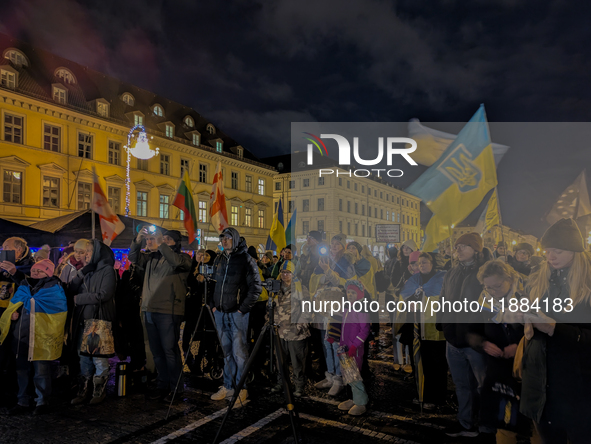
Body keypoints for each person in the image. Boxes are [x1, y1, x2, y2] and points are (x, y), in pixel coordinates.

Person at [520, 218, 591, 443]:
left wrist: (555, 329)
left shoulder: (587, 286)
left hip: (577, 386)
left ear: (574, 251)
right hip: (540, 381)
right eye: (547, 251)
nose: (550, 257)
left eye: (557, 251)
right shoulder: (538, 280)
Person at [438, 232, 494, 439]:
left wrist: (484, 335)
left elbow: (492, 306)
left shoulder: (486, 272)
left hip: (476, 340)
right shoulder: (451, 272)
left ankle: (488, 427)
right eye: (457, 246)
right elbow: (443, 299)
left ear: (476, 250)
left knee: (484, 385)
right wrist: (443, 326)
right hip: (453, 339)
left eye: (464, 246)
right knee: (462, 385)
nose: (458, 249)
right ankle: (466, 423)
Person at [128, 228, 191, 402]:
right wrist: (138, 239)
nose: (153, 241)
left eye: (164, 239)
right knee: (156, 352)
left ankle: (176, 388)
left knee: (169, 351)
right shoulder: (150, 258)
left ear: (175, 242)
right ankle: (162, 384)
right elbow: (132, 257)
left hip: (169, 311)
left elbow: (175, 261)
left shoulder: (183, 258)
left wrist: (161, 243)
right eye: (151, 239)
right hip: (149, 309)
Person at [470, 260, 527, 443]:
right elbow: (471, 330)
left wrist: (520, 346)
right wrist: (483, 343)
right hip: (496, 366)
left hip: (524, 367)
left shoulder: (527, 296)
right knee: (497, 413)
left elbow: (542, 330)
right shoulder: (484, 300)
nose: (493, 291)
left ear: (509, 279)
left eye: (498, 286)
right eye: (488, 287)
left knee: (522, 414)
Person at [0, 259, 67, 415]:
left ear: (48, 273)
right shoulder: (24, 286)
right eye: (34, 270)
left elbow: (58, 311)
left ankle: (42, 401)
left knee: (41, 371)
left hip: (40, 338)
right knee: (21, 371)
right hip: (21, 337)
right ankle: (22, 401)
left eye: (40, 271)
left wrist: (30, 305)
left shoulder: (54, 289)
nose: (35, 273)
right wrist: (12, 314)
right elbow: (15, 304)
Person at [209, 227, 262, 403]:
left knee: (239, 352)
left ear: (236, 239)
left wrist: (242, 308)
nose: (224, 241)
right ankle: (228, 385)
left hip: (237, 313)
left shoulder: (246, 259)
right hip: (221, 312)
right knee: (226, 351)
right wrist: (213, 305)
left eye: (228, 238)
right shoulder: (220, 259)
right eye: (222, 238)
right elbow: (213, 283)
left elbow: (256, 287)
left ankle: (242, 388)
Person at [69, 239, 117, 405]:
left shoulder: (107, 270)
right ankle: (83, 390)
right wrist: (82, 272)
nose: (86, 255)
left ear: (97, 253)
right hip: (83, 320)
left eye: (89, 251)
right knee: (83, 358)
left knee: (98, 358)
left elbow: (104, 295)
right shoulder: (88, 271)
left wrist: (79, 299)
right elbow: (71, 288)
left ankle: (98, 391)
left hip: (97, 321)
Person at [399, 252, 447, 409]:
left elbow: (442, 302)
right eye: (419, 263)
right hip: (416, 329)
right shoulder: (413, 281)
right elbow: (404, 298)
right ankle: (422, 394)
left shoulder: (441, 280)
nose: (422, 266)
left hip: (434, 330)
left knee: (436, 364)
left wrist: (421, 303)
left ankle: (437, 397)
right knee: (420, 362)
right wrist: (409, 304)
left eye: (425, 262)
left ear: (432, 264)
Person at [312, 233, 355, 396]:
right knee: (326, 343)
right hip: (324, 307)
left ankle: (339, 378)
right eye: (332, 244)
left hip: (338, 308)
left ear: (343, 246)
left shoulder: (346, 262)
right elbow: (315, 278)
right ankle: (329, 375)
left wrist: (328, 272)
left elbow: (345, 283)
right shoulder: (325, 259)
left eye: (337, 244)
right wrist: (325, 274)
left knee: (336, 343)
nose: (334, 246)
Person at [0, 236, 34, 407]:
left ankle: (17, 395)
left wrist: (15, 272)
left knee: (16, 359)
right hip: (2, 317)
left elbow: (32, 289)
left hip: (20, 321)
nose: (3, 250)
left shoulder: (31, 266)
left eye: (7, 247)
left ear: (18, 250)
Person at [270, 260, 310, 397]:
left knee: (297, 361)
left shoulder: (300, 288)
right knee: (280, 360)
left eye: (288, 272)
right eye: (282, 272)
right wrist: (270, 321)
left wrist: (300, 325)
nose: (284, 275)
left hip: (296, 333)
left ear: (293, 274)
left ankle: (299, 386)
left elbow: (307, 309)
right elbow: (270, 308)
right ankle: (282, 383)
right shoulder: (276, 288)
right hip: (279, 331)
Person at [337, 280, 370, 416]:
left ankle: (361, 402)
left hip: (353, 348)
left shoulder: (361, 307)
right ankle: (353, 398)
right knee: (348, 374)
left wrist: (354, 345)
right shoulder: (348, 306)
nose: (350, 295)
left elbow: (364, 329)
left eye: (353, 292)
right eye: (348, 292)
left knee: (354, 375)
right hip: (345, 347)